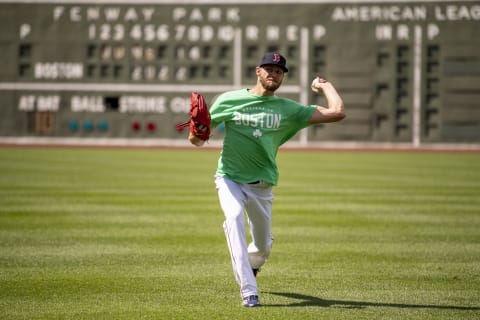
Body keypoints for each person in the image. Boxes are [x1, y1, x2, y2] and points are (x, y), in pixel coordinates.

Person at [189, 52, 345, 307]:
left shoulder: (288, 110)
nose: (274, 73)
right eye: (269, 69)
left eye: (279, 71)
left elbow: (337, 112)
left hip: (263, 185)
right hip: (229, 178)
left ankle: (253, 263)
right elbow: (196, 141)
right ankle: (249, 292)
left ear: (283, 77)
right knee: (234, 219)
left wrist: (324, 85)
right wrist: (198, 132)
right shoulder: (230, 100)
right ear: (257, 71)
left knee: (262, 247)